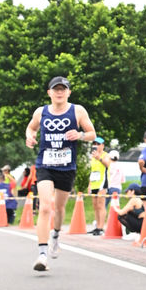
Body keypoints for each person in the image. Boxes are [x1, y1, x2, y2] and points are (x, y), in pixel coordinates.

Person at [25, 76, 96, 272]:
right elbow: (31, 127)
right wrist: (30, 136)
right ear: (49, 92)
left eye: (63, 89)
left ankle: (55, 235)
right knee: (45, 206)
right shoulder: (41, 112)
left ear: (68, 93)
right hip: (45, 164)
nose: (59, 92)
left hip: (66, 167)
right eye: (55, 89)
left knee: (59, 208)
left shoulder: (78, 111)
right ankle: (42, 254)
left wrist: (80, 135)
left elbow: (92, 133)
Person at [87, 139, 110, 235]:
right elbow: (92, 171)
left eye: (98, 144)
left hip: (102, 182)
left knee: (101, 204)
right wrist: (89, 184)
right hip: (94, 182)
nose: (96, 145)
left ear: (102, 145)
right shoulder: (92, 156)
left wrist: (99, 158)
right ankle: (97, 226)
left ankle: (101, 227)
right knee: (95, 205)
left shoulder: (105, 155)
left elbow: (107, 164)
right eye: (95, 144)